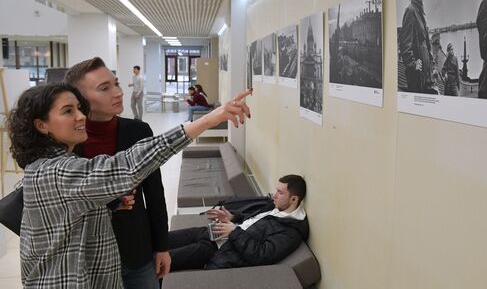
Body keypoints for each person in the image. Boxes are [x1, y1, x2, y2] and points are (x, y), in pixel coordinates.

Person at [7, 83, 251, 288]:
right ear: (42, 125)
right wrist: (208, 120)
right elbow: (127, 164)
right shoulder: (56, 171)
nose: (81, 116)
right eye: (68, 111)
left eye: (79, 108)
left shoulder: (54, 165)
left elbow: (68, 221)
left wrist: (108, 207)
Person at [64, 57, 167, 289]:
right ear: (79, 99)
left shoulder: (138, 131)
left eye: (116, 84)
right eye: (104, 88)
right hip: (87, 256)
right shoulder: (66, 143)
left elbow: (154, 194)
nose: (118, 92)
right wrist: (108, 203)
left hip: (136, 250)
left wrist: (162, 246)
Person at [168, 175, 308, 271]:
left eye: (280, 192)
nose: (274, 195)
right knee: (164, 239)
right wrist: (232, 218)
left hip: (217, 250)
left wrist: (234, 232)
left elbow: (261, 255)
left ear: (294, 199)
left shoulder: (291, 232)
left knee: (165, 258)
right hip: (214, 232)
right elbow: (252, 222)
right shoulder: (275, 207)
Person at [400, 0, 436, 94]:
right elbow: (405, 45)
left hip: (425, 74)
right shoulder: (410, 11)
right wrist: (413, 62)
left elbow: (425, 40)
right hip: (417, 77)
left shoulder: (419, 11)